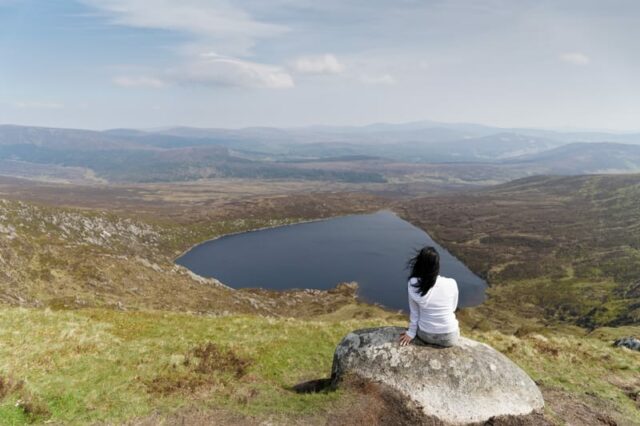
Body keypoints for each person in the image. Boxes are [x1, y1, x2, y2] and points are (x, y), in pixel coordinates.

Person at [399, 246, 460, 347]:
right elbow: (452, 308)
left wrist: (411, 333)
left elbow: (415, 313)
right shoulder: (451, 283)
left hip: (425, 335)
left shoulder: (413, 283)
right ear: (437, 265)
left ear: (419, 264)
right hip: (450, 337)